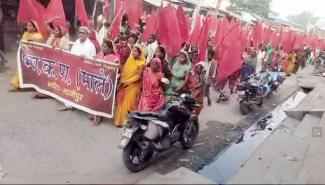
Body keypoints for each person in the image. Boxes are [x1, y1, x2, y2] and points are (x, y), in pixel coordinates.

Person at [89, 40, 120, 124]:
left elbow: (117, 67)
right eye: (102, 46)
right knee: (94, 97)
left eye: (105, 47)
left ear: (110, 49)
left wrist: (116, 66)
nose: (102, 48)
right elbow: (94, 61)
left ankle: (98, 117)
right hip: (96, 79)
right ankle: (93, 113)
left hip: (105, 81)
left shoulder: (114, 58)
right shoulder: (100, 53)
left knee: (101, 100)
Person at [114, 45, 145, 127]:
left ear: (139, 53)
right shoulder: (130, 59)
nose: (134, 52)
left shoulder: (141, 63)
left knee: (128, 102)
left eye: (136, 51)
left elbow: (138, 76)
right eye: (133, 51)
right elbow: (125, 70)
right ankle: (119, 120)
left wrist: (128, 82)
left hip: (133, 85)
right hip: (124, 82)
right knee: (121, 100)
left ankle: (125, 122)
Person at [10, 21, 44, 90]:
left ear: (34, 28)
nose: (28, 27)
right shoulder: (25, 34)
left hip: (35, 57)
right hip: (25, 56)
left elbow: (40, 47)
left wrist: (32, 42)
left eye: (30, 26)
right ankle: (17, 84)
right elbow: (22, 43)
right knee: (21, 69)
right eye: (27, 25)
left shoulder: (38, 36)